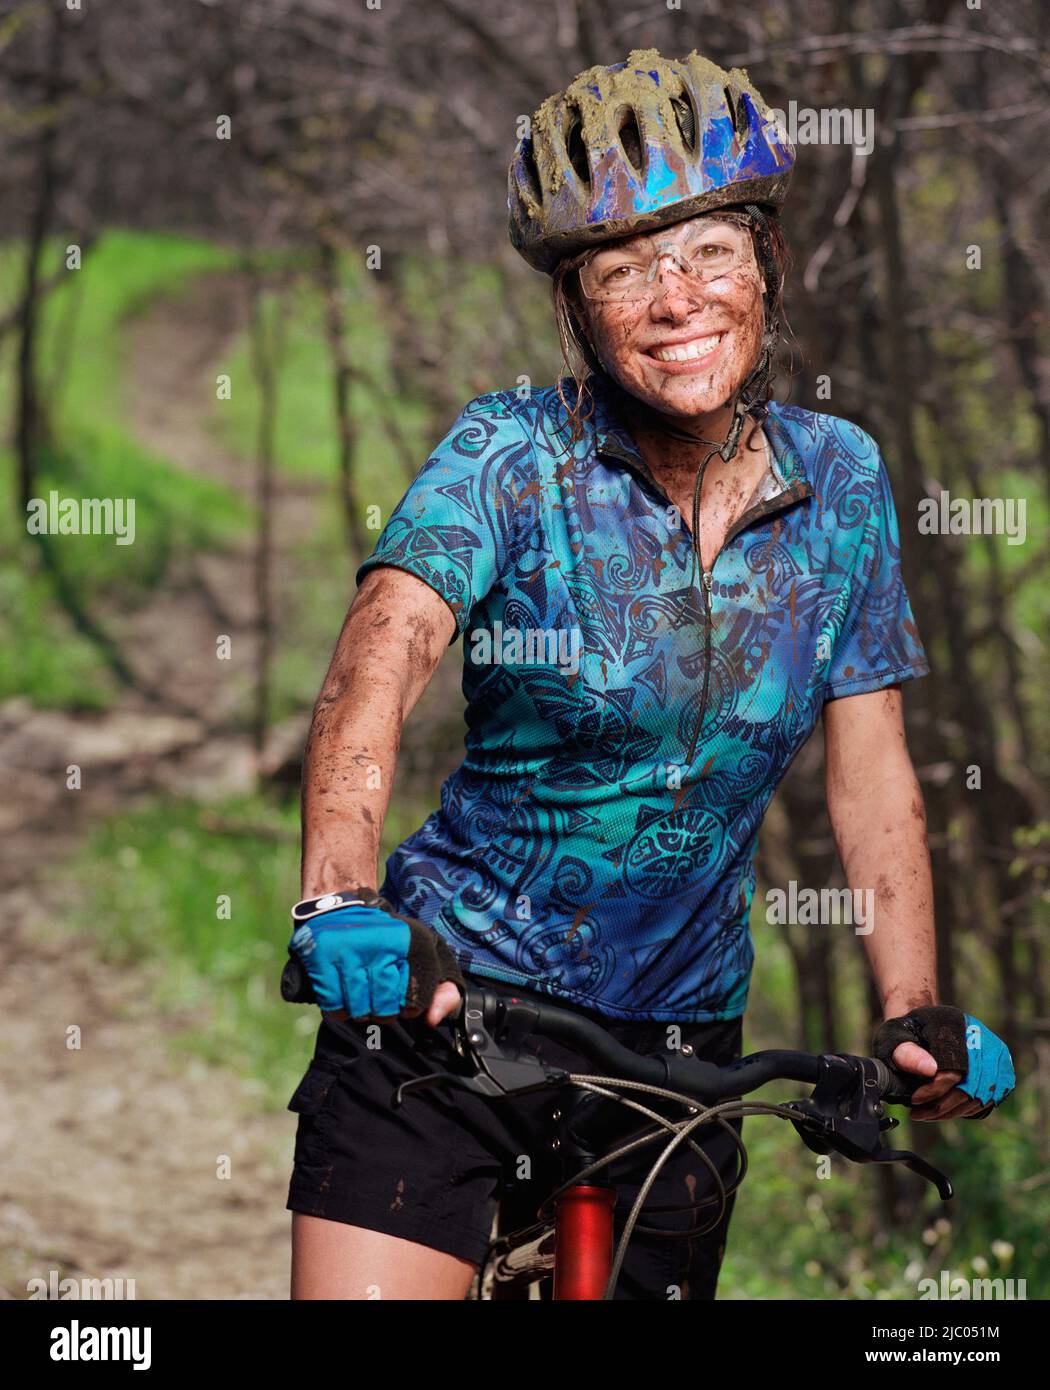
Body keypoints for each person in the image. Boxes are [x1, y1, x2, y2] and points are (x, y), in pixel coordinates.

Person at [284, 47, 1015, 1301]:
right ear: (577, 311)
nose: (675, 297)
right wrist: (338, 894)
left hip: (677, 1053)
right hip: (442, 1014)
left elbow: (875, 766)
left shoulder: (839, 479)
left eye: (710, 252)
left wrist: (911, 1007)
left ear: (768, 267)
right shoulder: (510, 452)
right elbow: (378, 662)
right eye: (624, 270)